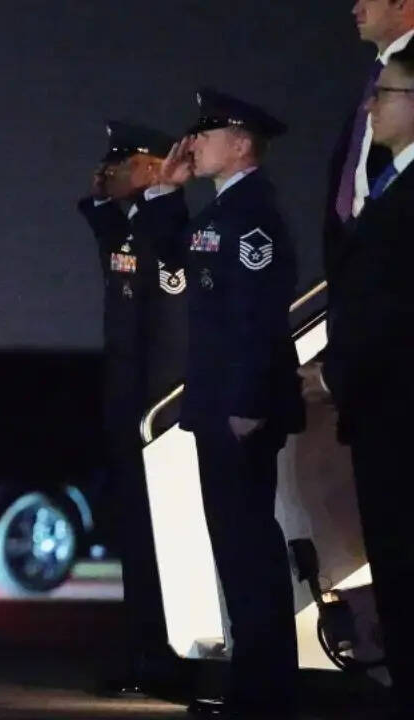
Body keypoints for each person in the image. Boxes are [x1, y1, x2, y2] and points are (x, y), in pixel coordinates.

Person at [155, 89, 306, 718]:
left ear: (241, 143)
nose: (194, 143)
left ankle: (266, 692)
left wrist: (246, 402)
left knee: (249, 549)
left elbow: (257, 317)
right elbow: (175, 261)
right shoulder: (223, 210)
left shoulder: (252, 214)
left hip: (238, 407)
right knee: (235, 548)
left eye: (207, 133)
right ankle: (253, 686)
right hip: (217, 403)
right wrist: (167, 192)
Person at [76, 121, 189, 698]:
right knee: (137, 541)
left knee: (161, 543)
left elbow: (171, 333)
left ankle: (166, 659)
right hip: (129, 409)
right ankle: (145, 652)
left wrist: (159, 413)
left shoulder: (169, 231)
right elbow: (110, 244)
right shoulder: (133, 228)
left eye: (121, 164)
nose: (109, 172)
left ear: (149, 168)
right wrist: (100, 199)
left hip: (156, 412)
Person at [318, 46, 414, 717]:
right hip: (379, 405)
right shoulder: (389, 187)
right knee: (392, 562)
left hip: (399, 406)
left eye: (385, 94)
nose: (371, 107)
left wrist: (344, 370)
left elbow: (391, 308)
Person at [323, 0, 414, 283]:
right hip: (357, 254)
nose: (356, 9)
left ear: (402, 4)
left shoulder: (407, 69)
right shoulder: (373, 74)